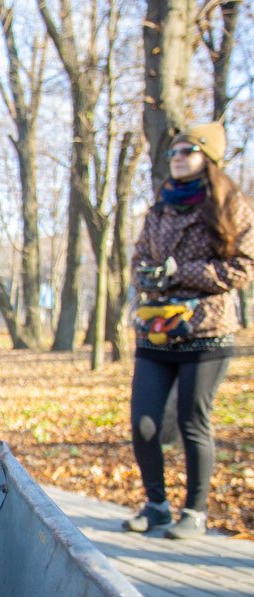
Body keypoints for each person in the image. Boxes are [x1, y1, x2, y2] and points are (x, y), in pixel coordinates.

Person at [123, 121, 253, 538]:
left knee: (192, 420)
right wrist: (149, 275)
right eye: (174, 152)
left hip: (207, 333)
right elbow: (140, 256)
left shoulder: (230, 204)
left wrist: (184, 271)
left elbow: (244, 265)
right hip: (158, 330)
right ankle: (155, 503)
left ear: (208, 158)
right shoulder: (160, 208)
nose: (177, 158)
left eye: (187, 151)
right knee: (143, 422)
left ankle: (194, 512)